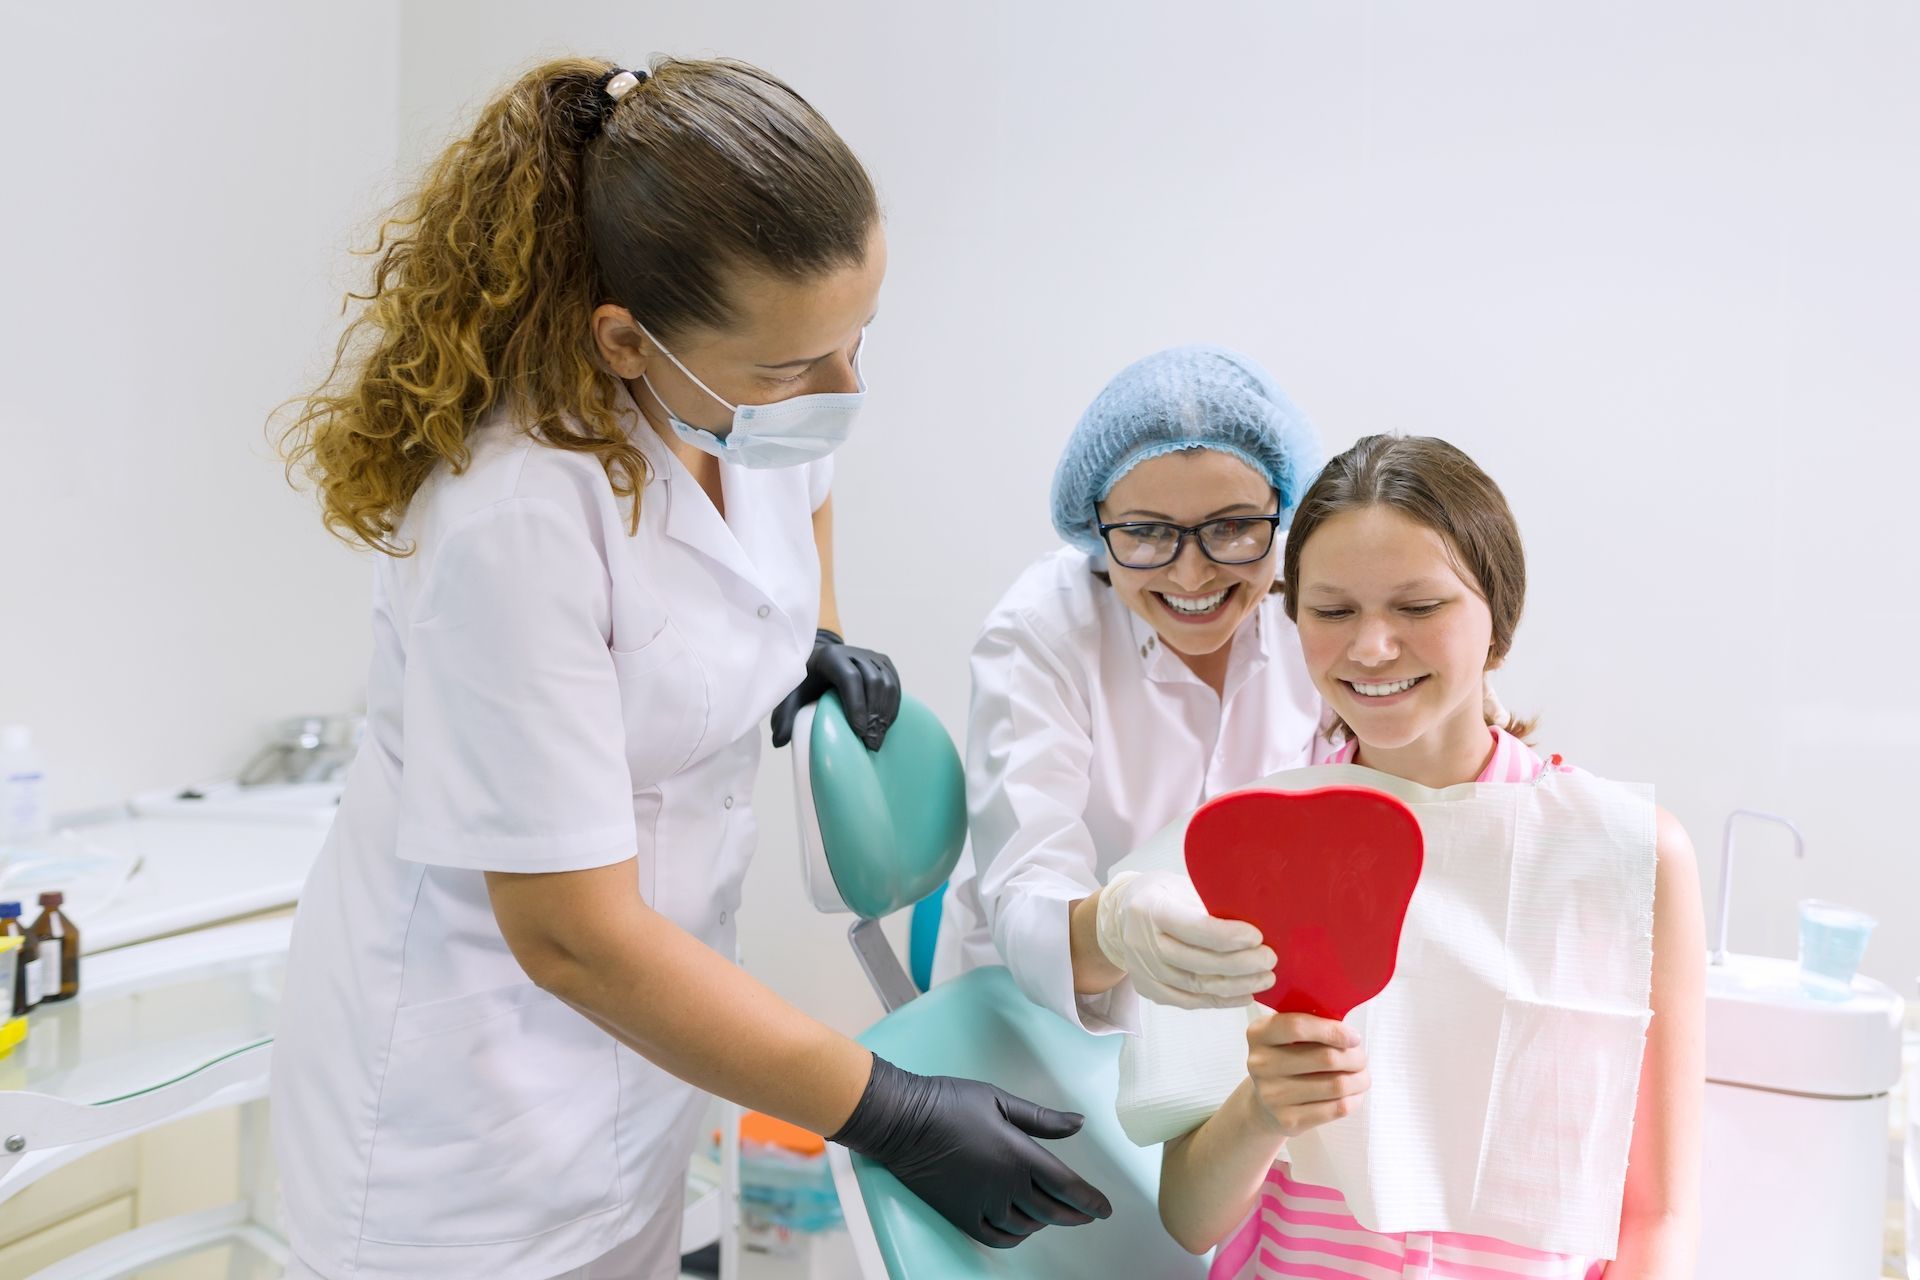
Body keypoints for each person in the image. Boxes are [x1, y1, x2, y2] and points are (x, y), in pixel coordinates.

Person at [272, 56, 1108, 1280]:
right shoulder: (518, 518)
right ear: (624, 338)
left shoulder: (745, 409)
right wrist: (891, 1107)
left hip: (653, 1057)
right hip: (465, 1115)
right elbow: (570, 935)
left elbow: (803, 496)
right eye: (794, 368)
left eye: (857, 339)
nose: (845, 391)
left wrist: (810, 636)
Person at [1156, 434, 1704, 1278]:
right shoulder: (1252, 845)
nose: (1372, 647)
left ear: (1499, 620)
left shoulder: (1625, 857)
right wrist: (1262, 1111)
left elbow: (1658, 1216)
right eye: (1333, 611)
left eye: (1418, 608)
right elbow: (1190, 1218)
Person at [934, 345, 1328, 1033]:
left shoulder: (1318, 616)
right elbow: (1029, 897)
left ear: (1282, 509)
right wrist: (1113, 927)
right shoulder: (1041, 633)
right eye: (1146, 533)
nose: (1192, 575)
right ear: (1096, 527)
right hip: (1045, 1032)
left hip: (1248, 1023)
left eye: (1232, 526)